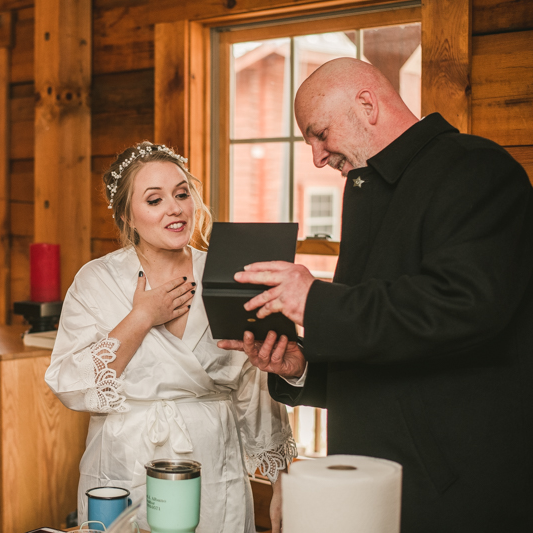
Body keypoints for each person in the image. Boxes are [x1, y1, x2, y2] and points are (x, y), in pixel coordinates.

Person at [219, 57, 533, 532]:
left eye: (319, 133)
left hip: (451, 489)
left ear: (366, 105)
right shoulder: (366, 187)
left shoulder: (476, 168)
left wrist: (314, 301)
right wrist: (303, 367)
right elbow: (382, 338)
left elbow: (464, 306)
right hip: (368, 484)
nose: (318, 157)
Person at [45, 141, 297, 533]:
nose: (175, 208)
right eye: (154, 199)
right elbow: (70, 383)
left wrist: (283, 479)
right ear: (128, 215)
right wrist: (142, 316)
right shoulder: (97, 281)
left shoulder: (228, 272)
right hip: (124, 461)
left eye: (182, 194)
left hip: (213, 461)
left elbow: (254, 380)